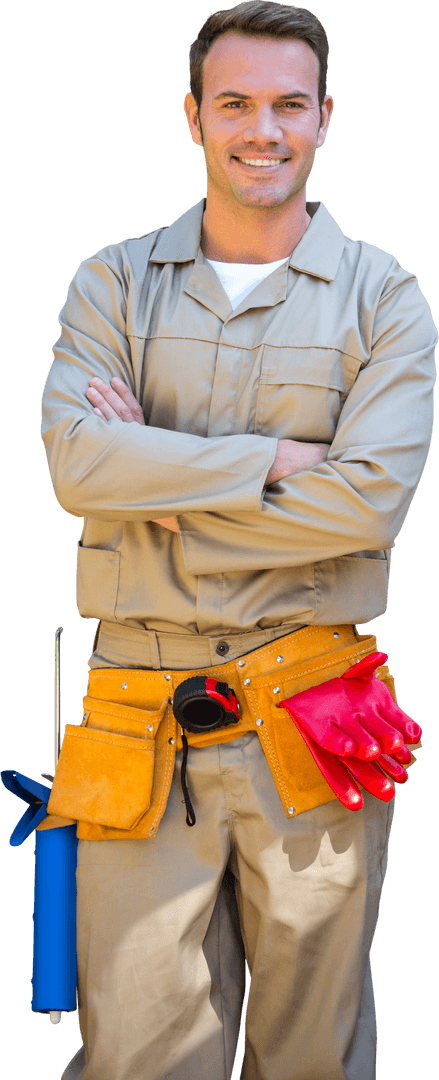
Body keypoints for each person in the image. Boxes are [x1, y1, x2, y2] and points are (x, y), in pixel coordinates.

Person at [40, 4, 436, 1079]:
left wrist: (155, 487)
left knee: (312, 1056)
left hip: (314, 719)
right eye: (234, 104)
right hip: (134, 724)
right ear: (192, 117)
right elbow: (76, 465)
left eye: (286, 105)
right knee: (135, 1057)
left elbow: (367, 509)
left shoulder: (386, 299)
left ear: (325, 120)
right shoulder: (110, 284)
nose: (261, 129)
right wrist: (269, 463)